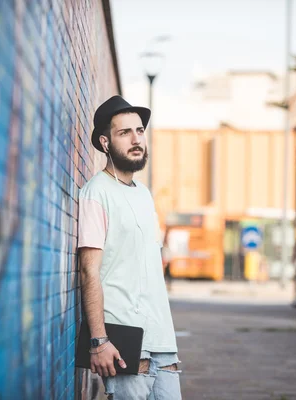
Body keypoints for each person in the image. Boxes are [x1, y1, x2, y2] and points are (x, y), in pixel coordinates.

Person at [77, 95, 181, 399]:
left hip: (162, 339)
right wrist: (99, 341)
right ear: (105, 142)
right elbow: (89, 270)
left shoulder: (144, 194)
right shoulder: (96, 193)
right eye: (125, 133)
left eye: (139, 131)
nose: (136, 139)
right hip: (124, 339)